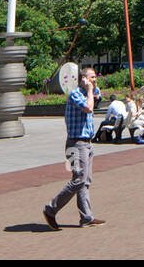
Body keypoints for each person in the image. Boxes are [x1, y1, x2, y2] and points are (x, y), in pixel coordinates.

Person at [42, 66, 105, 229]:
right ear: (82, 79)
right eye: (91, 77)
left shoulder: (88, 93)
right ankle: (51, 209)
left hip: (87, 143)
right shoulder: (76, 94)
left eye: (95, 77)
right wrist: (90, 89)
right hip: (76, 144)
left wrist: (92, 88)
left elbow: (97, 98)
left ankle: (86, 217)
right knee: (78, 180)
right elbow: (89, 108)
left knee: (85, 181)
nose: (94, 80)